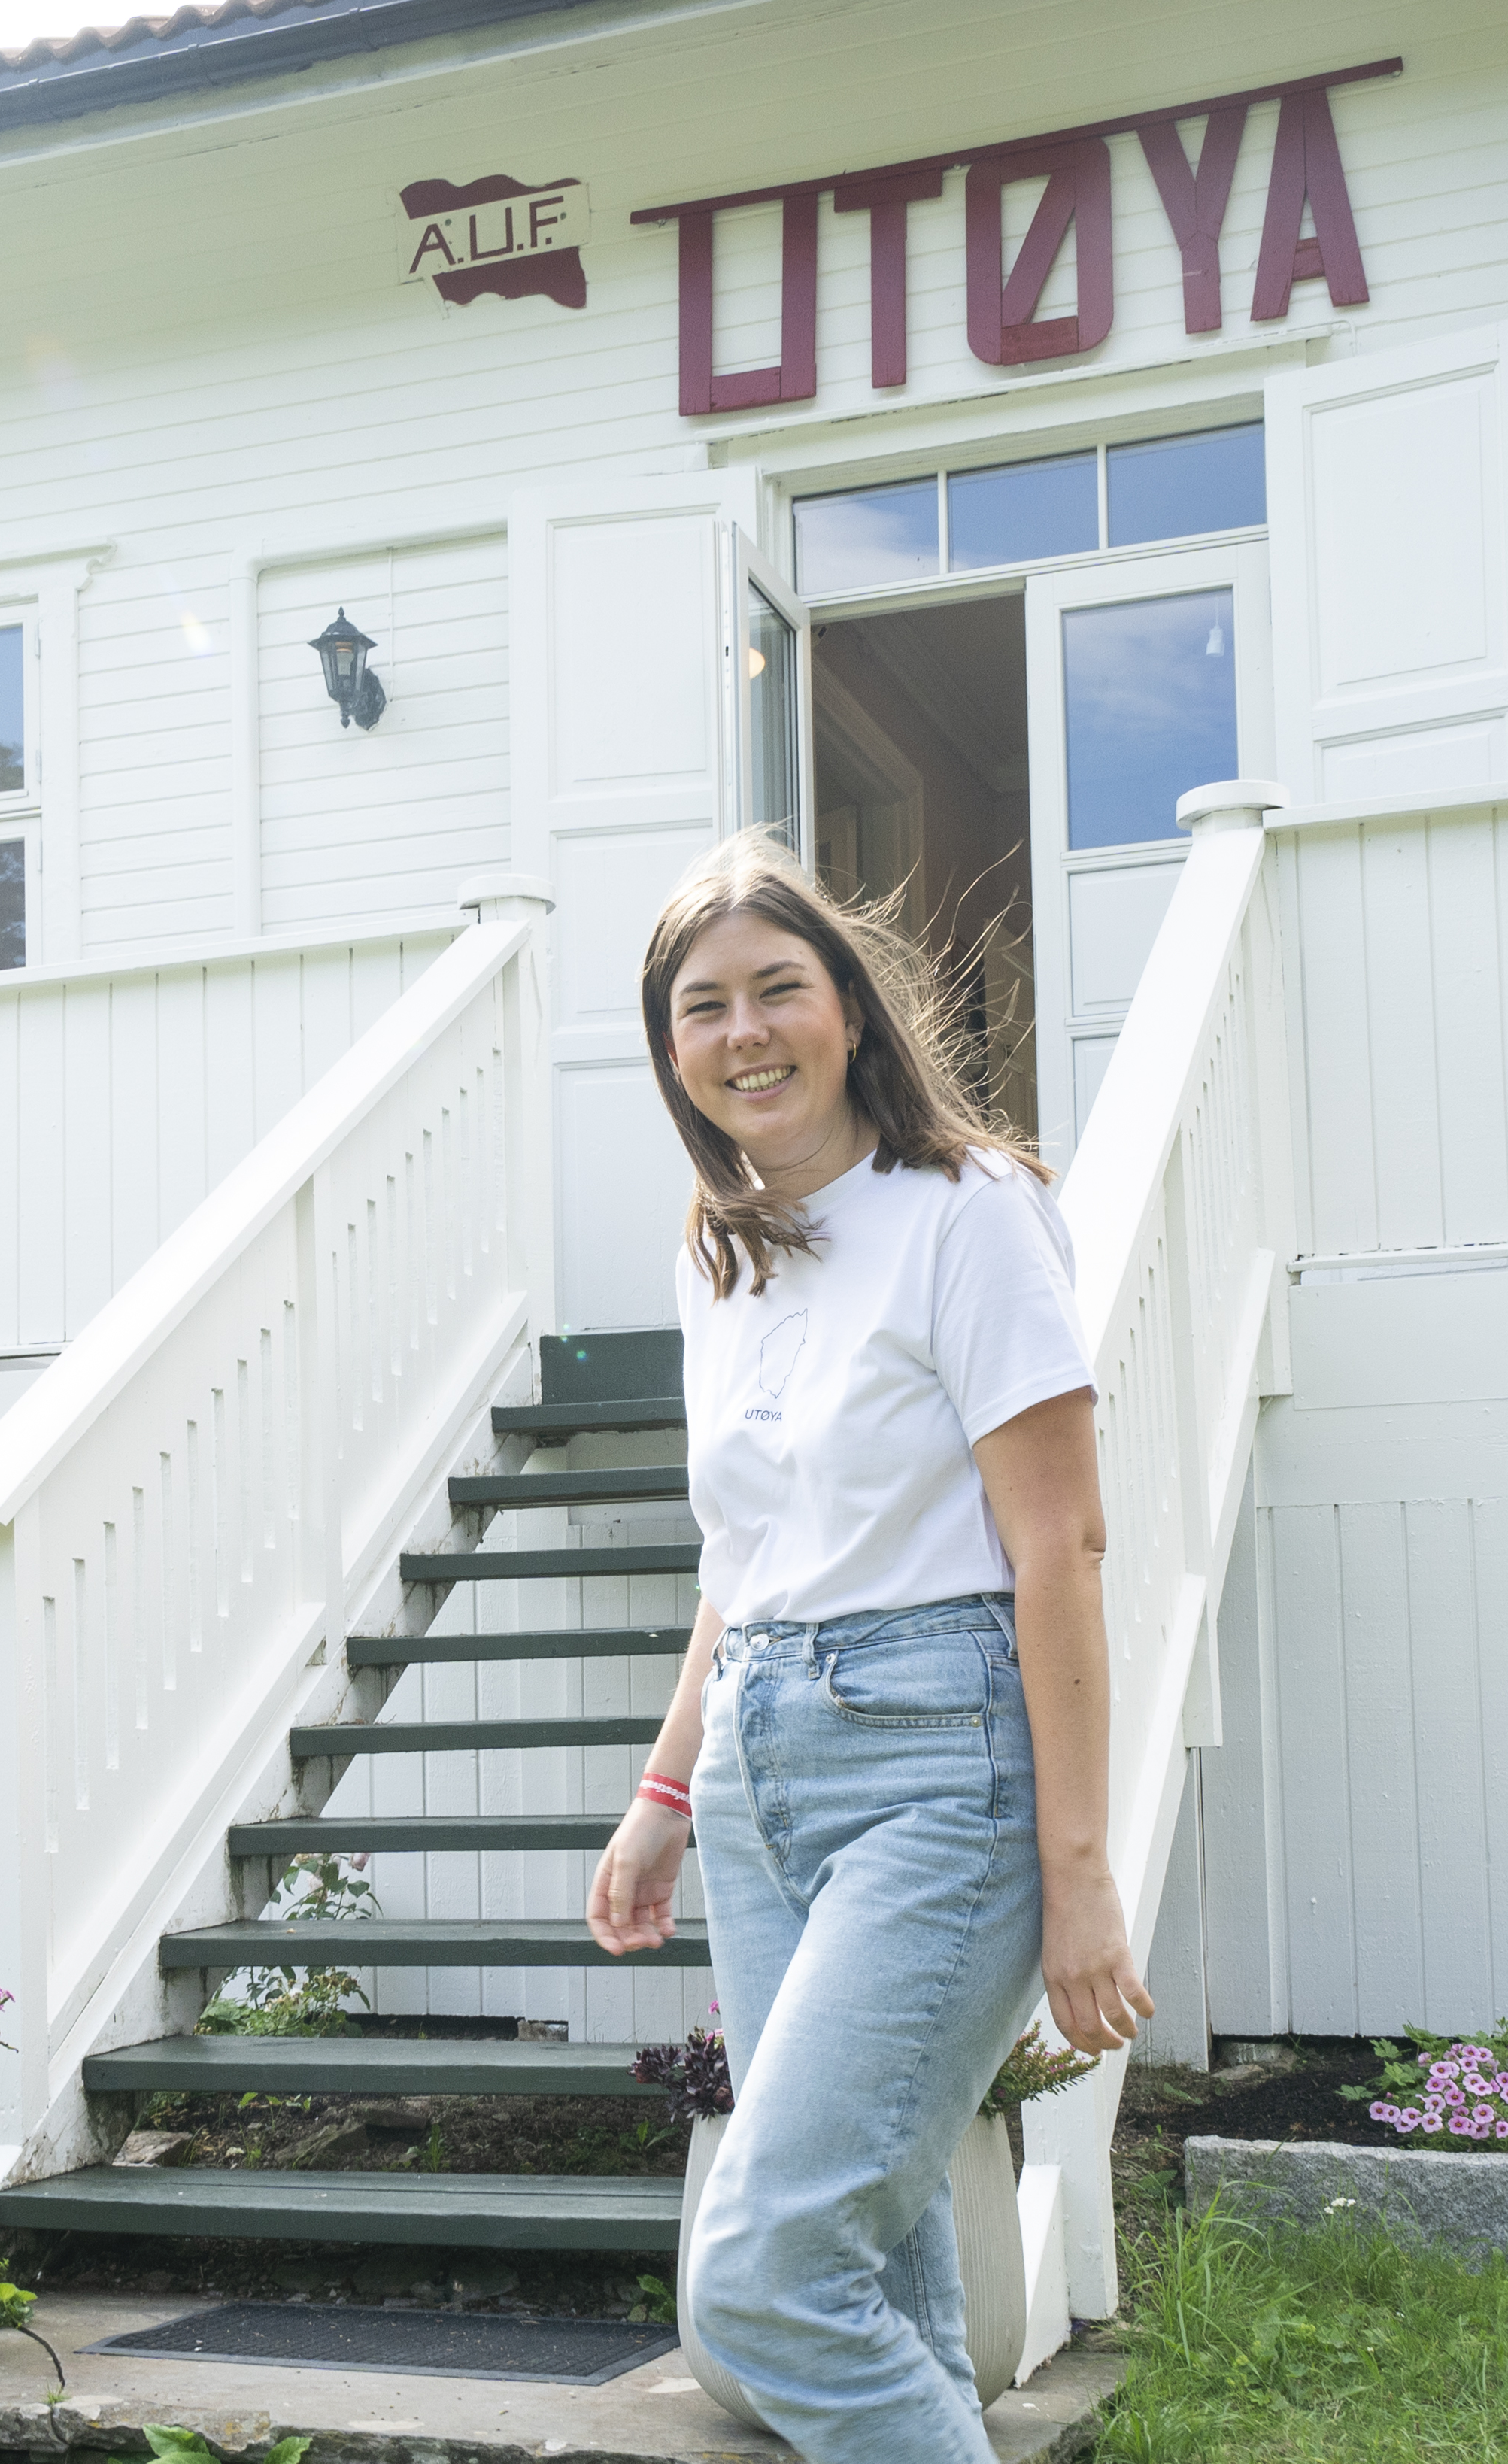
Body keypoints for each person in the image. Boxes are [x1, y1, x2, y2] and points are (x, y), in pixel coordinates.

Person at [585, 833, 1152, 2464]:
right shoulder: (720, 1252)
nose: (742, 1032)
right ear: (670, 1049)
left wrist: (1078, 1868)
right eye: (702, 1008)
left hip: (938, 1756)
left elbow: (1060, 1546)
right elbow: (744, 1553)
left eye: (778, 989)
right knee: (869, 2274)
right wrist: (665, 1792)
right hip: (762, 1768)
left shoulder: (965, 1213)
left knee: (757, 2284)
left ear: (848, 1011)